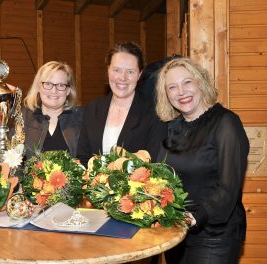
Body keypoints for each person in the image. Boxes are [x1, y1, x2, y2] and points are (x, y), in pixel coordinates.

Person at [155, 58, 249, 264]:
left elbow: (228, 188)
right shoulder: (172, 127)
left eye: (187, 82)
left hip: (215, 235)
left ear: (200, 82)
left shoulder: (226, 123)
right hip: (177, 232)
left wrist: (194, 216)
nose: (181, 92)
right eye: (172, 87)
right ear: (166, 94)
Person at [77, 42, 167, 166]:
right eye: (117, 70)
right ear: (108, 70)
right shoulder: (92, 109)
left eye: (130, 72)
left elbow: (154, 164)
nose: (122, 78)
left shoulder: (155, 113)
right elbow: (83, 158)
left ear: (139, 74)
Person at [22, 61, 83, 159]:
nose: (54, 91)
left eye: (61, 85)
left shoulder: (82, 119)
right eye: (48, 84)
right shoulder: (23, 118)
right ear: (38, 87)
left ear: (68, 90)